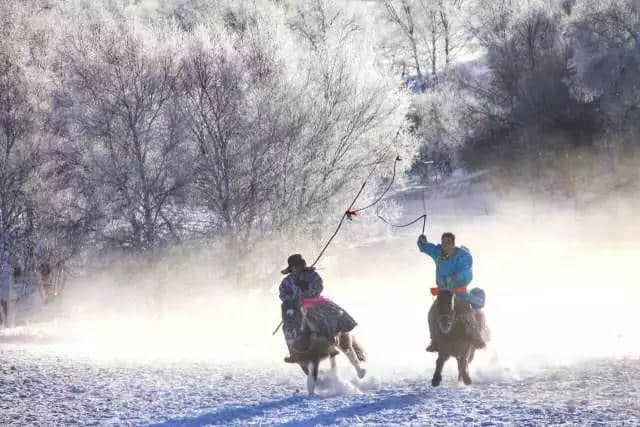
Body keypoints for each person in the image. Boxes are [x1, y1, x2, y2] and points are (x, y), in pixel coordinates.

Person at [278, 254, 357, 363]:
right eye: (294, 266)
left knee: (332, 314)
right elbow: (283, 294)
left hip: (314, 302)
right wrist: (292, 299)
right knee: (287, 327)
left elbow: (319, 287)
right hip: (296, 306)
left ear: (302, 266)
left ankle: (332, 336)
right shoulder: (287, 281)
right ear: (291, 268)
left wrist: (307, 288)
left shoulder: (312, 275)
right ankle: (293, 352)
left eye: (299, 266)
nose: (297, 268)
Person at [417, 232, 487, 352]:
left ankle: (476, 337)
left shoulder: (463, 256)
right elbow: (427, 248)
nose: (445, 245)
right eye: (443, 242)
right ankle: (434, 340)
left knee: (466, 312)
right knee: (432, 312)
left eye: (448, 243)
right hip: (443, 291)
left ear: (453, 244)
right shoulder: (438, 253)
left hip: (459, 291)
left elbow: (467, 273)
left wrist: (454, 279)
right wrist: (422, 242)